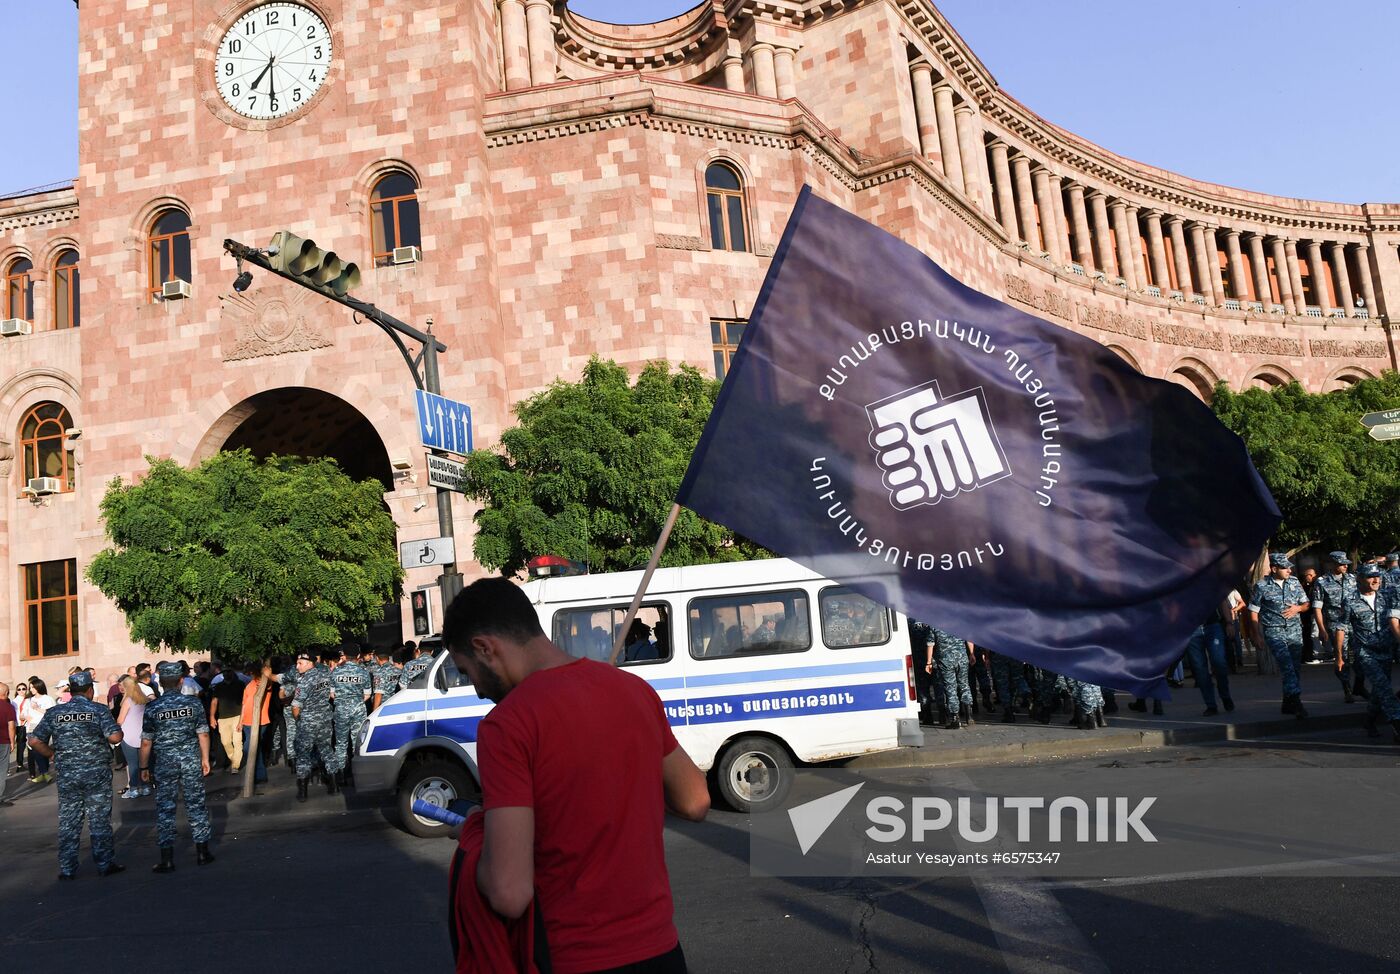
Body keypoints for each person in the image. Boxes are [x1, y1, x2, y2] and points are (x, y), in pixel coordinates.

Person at [443, 577, 708, 973]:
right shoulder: (634, 691)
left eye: (468, 672)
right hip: (661, 952)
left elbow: (509, 893)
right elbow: (695, 800)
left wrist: (475, 840)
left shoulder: (506, 725)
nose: (478, 690)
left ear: (485, 647)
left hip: (575, 957)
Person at [27, 671, 125, 879]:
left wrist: (52, 754)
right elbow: (115, 736)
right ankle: (104, 864)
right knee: (99, 819)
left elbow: (34, 741)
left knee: (69, 820)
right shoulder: (98, 710)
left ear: (70, 690)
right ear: (90, 690)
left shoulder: (55, 712)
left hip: (68, 774)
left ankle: (67, 868)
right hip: (96, 773)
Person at [140, 661, 215, 872]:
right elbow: (203, 733)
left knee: (165, 809)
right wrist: (205, 759)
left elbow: (146, 741)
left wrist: (144, 768)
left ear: (162, 683)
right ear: (181, 681)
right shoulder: (193, 704)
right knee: (196, 805)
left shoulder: (153, 707)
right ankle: (202, 853)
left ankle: (167, 859)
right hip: (190, 761)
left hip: (165, 764)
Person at [1249, 552, 1312, 719]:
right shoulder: (1262, 586)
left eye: (1290, 568)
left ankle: (1287, 702)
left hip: (1294, 630)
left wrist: (1297, 609)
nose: (1289, 571)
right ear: (1274, 568)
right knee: (1287, 666)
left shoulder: (1294, 582)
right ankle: (1297, 702)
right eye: (1285, 568)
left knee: (1295, 668)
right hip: (1274, 632)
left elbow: (1306, 604)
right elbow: (1254, 612)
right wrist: (1256, 635)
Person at [1343, 564, 1400, 742]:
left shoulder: (1387, 596)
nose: (1376, 580)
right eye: (1370, 577)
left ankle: (1369, 720)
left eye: (1378, 577)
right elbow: (1341, 627)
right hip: (1365, 652)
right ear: (1359, 578)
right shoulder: (1350, 600)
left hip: (1385, 649)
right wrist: (1339, 654)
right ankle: (1397, 723)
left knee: (1379, 690)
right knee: (1384, 687)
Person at [292, 650, 339, 802]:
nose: (297, 666)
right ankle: (334, 786)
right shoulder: (325, 675)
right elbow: (332, 695)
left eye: (300, 663)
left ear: (309, 664)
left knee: (303, 754)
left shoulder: (304, 681)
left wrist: (298, 720)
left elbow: (296, 706)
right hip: (325, 720)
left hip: (308, 722)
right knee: (327, 750)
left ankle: (303, 791)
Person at [1312, 550, 1360, 703]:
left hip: (1355, 623)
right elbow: (1317, 607)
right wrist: (1322, 628)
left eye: (1346, 564)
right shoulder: (1322, 582)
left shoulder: (1353, 579)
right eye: (1341, 564)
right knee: (1342, 657)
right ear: (1333, 564)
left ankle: (1359, 685)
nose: (1345, 567)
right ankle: (1347, 688)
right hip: (1335, 624)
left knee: (1361, 655)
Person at [329, 647, 372, 788]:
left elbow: (332, 694)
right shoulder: (363, 672)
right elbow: (367, 695)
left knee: (340, 743)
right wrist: (355, 701)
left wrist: (343, 701)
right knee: (357, 743)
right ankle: (357, 776)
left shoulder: (336, 671)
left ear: (345, 656)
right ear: (358, 655)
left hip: (341, 710)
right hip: (358, 710)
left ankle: (340, 776)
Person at [1184, 596, 1234, 716]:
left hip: (1212, 626)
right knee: (1199, 668)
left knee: (1219, 662)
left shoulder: (1209, 578)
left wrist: (1229, 623)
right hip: (1191, 629)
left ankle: (1225, 695)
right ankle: (1210, 705)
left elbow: (1222, 600)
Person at [117, 676, 153, 799]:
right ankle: (146, 786)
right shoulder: (145, 700)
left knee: (132, 764)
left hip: (128, 736)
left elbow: (120, 720)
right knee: (145, 763)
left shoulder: (127, 701)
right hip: (143, 735)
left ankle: (133, 788)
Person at [931, 627, 974, 729]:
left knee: (950, 689)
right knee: (964, 685)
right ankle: (969, 715)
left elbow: (930, 644)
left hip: (946, 661)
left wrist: (928, 662)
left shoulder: (933, 625)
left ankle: (955, 718)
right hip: (962, 659)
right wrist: (971, 653)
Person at [208, 664, 247, 773]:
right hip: (223, 718)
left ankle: (235, 766)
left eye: (228, 672)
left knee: (237, 741)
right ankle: (234, 759)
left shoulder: (240, 684)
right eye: (224, 672)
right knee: (225, 742)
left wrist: (242, 719)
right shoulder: (219, 686)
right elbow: (214, 702)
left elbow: (244, 702)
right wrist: (212, 717)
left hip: (237, 716)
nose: (226, 674)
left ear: (232, 672)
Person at [240, 662, 272, 786]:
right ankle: (259, 775)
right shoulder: (249, 685)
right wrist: (240, 721)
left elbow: (268, 684)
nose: (249, 674)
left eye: (250, 672)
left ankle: (258, 774)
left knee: (249, 748)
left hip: (260, 720)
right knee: (254, 748)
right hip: (247, 722)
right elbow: (244, 704)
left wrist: (267, 674)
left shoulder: (264, 682)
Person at [24, 677, 55, 783]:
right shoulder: (28, 700)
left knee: (42, 749)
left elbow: (51, 713)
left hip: (43, 726)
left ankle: (44, 772)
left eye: (33, 687)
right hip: (31, 726)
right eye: (30, 687)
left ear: (39, 687)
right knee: (35, 751)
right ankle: (44, 773)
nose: (31, 689)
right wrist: (24, 716)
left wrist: (37, 708)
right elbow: (23, 713)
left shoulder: (48, 699)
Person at [371, 647, 402, 711]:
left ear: (377, 657)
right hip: (397, 704)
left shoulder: (379, 672)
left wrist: (374, 712)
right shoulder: (398, 670)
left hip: (383, 707)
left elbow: (378, 693)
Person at [0, 682, 15, 807]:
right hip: (3, 742)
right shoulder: (8, 707)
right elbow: (11, 726)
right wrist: (12, 741)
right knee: (1, 771)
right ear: (5, 694)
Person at [12, 682, 30, 776]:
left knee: (27, 746)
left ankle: (22, 764)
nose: (21, 691)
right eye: (19, 689)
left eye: (23, 689)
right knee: (21, 746)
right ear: (16, 691)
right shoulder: (14, 701)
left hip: (28, 725)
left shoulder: (29, 700)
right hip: (21, 726)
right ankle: (20, 765)